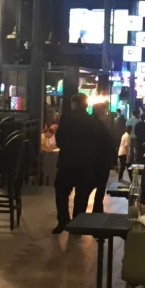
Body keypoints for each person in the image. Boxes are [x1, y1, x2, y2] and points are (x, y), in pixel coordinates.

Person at [53, 94, 102, 233]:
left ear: (74, 103)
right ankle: (77, 224)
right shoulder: (92, 122)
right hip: (85, 164)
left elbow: (59, 140)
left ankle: (63, 220)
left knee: (61, 192)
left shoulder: (66, 118)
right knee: (82, 195)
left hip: (67, 162)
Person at [89, 103, 118, 213]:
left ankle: (81, 214)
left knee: (85, 189)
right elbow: (111, 145)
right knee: (100, 188)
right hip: (102, 162)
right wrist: (114, 162)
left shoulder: (89, 124)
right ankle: (97, 210)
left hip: (89, 161)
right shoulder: (103, 127)